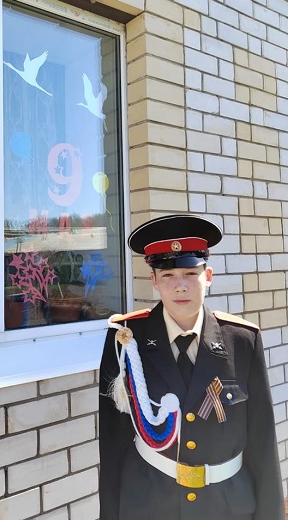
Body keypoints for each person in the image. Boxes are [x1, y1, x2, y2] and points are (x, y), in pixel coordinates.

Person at [99, 214, 284, 520]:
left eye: (190, 273)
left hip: (226, 507)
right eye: (168, 275)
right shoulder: (126, 339)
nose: (180, 286)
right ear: (154, 281)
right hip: (149, 506)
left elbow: (263, 443)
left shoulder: (242, 341)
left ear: (208, 276)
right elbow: (112, 442)